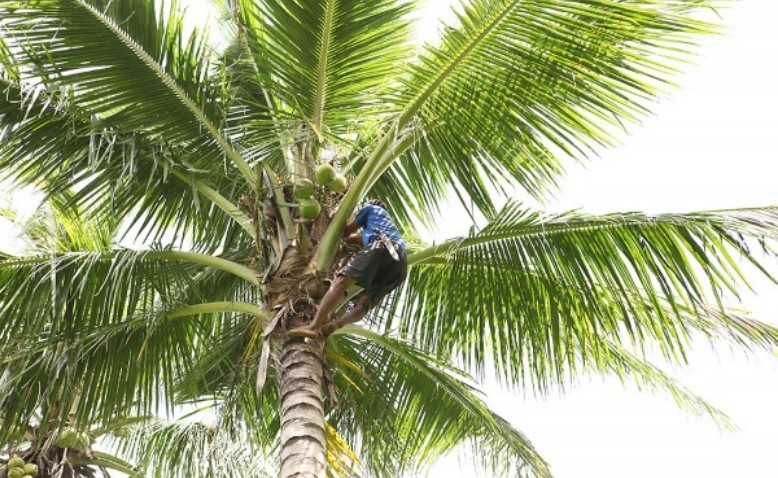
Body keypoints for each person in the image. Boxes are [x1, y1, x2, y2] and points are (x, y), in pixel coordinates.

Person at [290, 199, 407, 338]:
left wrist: (332, 222)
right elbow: (354, 239)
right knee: (365, 304)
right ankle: (336, 324)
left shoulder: (370, 209)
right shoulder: (385, 225)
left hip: (381, 246)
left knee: (340, 283)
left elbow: (344, 232)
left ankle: (314, 327)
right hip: (400, 265)